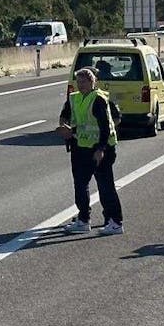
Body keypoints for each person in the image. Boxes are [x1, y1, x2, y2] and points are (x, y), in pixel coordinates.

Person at [57, 67, 124, 235]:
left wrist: (101, 149)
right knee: (80, 185)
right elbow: (65, 115)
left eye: (84, 82)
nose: (81, 85)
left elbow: (106, 126)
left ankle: (115, 221)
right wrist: (64, 127)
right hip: (80, 148)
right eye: (78, 82)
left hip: (100, 149)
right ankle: (83, 220)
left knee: (105, 186)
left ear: (92, 82)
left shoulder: (99, 99)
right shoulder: (74, 98)